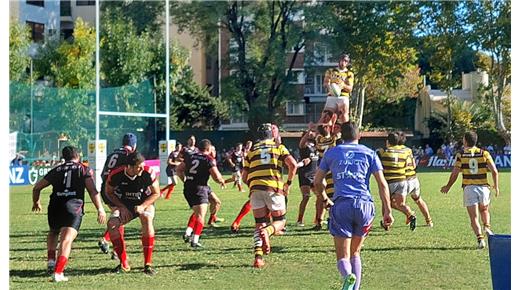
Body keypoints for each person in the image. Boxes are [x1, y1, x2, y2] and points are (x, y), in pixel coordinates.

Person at [314, 122, 393, 290]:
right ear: (359, 136)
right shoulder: (369, 153)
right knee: (355, 252)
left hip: (342, 204)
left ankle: (347, 276)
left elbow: (317, 180)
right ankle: (354, 287)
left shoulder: (332, 153)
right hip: (365, 205)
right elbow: (382, 184)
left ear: (341, 136)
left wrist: (324, 198)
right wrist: (387, 211)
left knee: (343, 256)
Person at [32, 146, 107, 282]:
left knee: (53, 232)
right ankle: (58, 272)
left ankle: (50, 261)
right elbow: (92, 190)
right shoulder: (84, 169)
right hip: (73, 208)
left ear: (64, 157)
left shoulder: (56, 169)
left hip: (55, 206)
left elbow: (37, 187)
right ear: (77, 156)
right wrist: (100, 208)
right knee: (66, 239)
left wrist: (36, 202)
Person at [242, 123, 297, 268]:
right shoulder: (278, 147)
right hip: (273, 187)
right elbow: (293, 164)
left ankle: (258, 258)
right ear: (271, 135)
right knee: (280, 221)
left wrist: (253, 185)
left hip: (255, 188)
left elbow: (244, 176)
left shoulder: (252, 149)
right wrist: (288, 183)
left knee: (259, 223)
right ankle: (268, 231)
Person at [440, 131, 499, 249]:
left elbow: (455, 173)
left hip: (469, 188)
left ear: (465, 141)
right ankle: (487, 227)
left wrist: (448, 186)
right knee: (484, 210)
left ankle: (480, 239)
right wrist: (496, 186)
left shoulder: (461, 154)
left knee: (474, 217)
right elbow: (494, 171)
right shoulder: (484, 153)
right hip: (483, 188)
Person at [105, 151, 161, 275]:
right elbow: (109, 192)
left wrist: (143, 206)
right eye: (138, 167)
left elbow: (156, 193)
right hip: (125, 205)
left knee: (146, 218)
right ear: (128, 167)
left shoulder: (148, 172)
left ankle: (148, 264)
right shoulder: (116, 174)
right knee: (112, 224)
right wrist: (121, 206)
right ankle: (124, 263)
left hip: (144, 203)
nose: (142, 169)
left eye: (142, 165)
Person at [177, 139, 226, 248]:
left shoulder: (190, 156)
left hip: (190, 187)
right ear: (208, 149)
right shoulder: (208, 159)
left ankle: (188, 232)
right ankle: (195, 240)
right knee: (200, 215)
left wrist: (185, 180)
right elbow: (216, 176)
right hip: (200, 188)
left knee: (213, 202)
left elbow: (179, 169)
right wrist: (221, 181)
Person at [97, 133, 137, 257]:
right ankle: (106, 240)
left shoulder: (112, 154)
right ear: (134, 145)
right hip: (116, 189)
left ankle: (116, 250)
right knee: (121, 217)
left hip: (105, 188)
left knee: (119, 217)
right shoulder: (128, 156)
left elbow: (103, 173)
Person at [376, 132, 417, 231]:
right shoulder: (404, 151)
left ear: (387, 141)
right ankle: (410, 215)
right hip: (402, 181)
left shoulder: (383, 151)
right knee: (401, 204)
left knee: (385, 202)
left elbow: (376, 158)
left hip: (388, 181)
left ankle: (386, 224)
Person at [399, 133, 433, 228]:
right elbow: (414, 165)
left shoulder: (397, 151)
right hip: (414, 178)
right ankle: (429, 221)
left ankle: (409, 214)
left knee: (394, 202)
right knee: (418, 200)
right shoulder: (408, 150)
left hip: (405, 180)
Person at [317, 53, 354, 127]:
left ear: (347, 63)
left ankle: (346, 133)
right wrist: (330, 86)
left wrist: (343, 85)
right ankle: (320, 134)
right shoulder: (331, 71)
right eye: (342, 60)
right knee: (325, 116)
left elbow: (350, 88)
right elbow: (325, 83)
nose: (343, 63)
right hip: (332, 96)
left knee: (344, 115)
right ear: (339, 60)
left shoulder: (349, 73)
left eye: (345, 61)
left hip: (343, 97)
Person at [296, 130, 319, 227]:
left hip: (315, 174)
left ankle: (317, 219)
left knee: (320, 196)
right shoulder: (304, 146)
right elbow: (301, 143)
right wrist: (308, 132)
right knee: (306, 196)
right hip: (305, 174)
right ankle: (299, 220)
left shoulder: (316, 145)